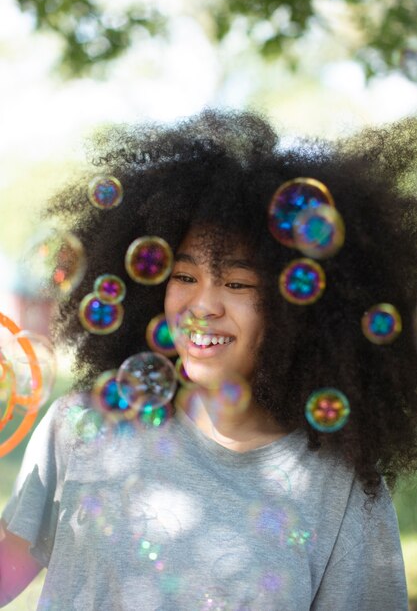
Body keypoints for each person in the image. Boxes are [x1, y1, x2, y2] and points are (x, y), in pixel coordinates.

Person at [1, 110, 417, 610]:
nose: (203, 305)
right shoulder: (82, 425)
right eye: (184, 276)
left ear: (302, 305)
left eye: (238, 283)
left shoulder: (341, 485)